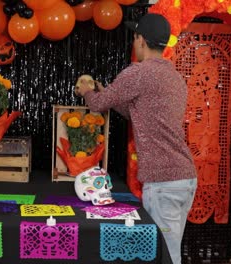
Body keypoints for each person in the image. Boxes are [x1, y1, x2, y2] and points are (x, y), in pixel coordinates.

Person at [75, 13, 197, 264]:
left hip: (164, 183)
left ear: (141, 40)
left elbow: (98, 105)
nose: (134, 42)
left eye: (135, 37)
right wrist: (108, 93)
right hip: (183, 179)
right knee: (167, 249)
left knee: (166, 254)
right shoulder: (174, 77)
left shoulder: (139, 73)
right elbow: (139, 113)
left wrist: (88, 92)